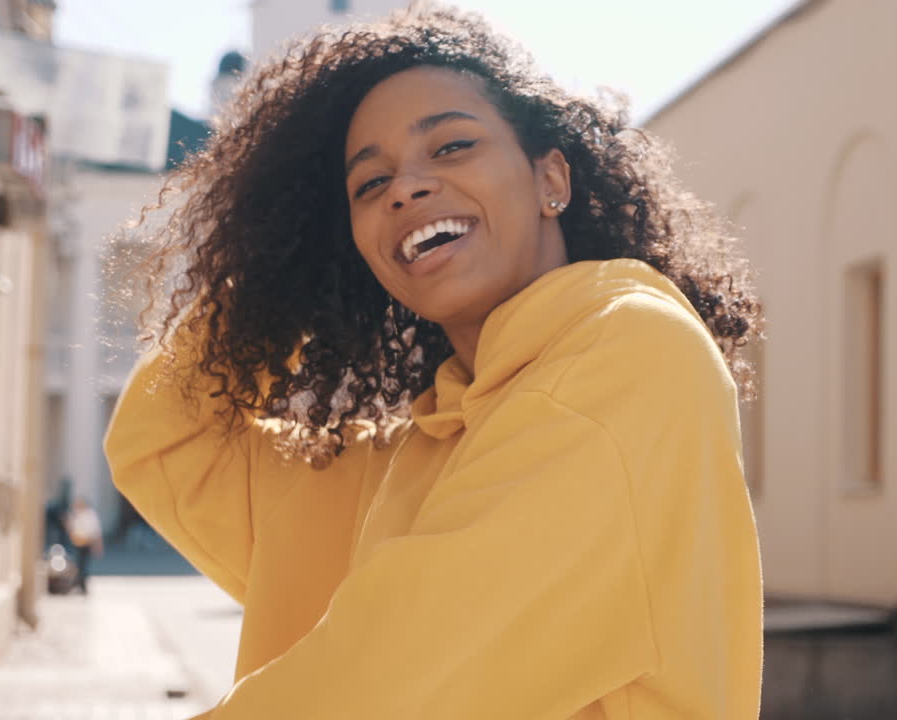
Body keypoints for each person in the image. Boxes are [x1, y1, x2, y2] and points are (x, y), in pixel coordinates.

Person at [104, 5, 764, 718]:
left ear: (552, 181)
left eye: (450, 147)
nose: (405, 188)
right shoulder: (425, 446)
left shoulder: (632, 354)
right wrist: (297, 268)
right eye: (368, 186)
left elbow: (379, 689)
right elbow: (163, 438)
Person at [64, 496, 103, 594]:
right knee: (78, 565)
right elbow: (71, 528)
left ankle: (81, 586)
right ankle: (78, 585)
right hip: (77, 542)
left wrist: (98, 545)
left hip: (86, 543)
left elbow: (96, 531)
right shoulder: (76, 514)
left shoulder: (89, 515)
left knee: (82, 566)